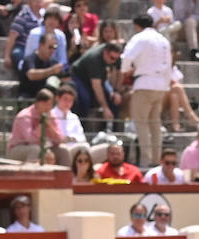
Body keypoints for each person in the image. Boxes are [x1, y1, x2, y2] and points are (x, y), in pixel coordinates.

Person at [122, 13, 171, 169]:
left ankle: (146, 160)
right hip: (161, 84)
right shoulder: (164, 40)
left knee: (141, 123)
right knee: (155, 123)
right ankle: (156, 159)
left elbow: (127, 57)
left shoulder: (140, 38)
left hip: (144, 83)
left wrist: (126, 70)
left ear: (137, 25)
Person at [7, 88, 64, 163]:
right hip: (17, 149)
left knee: (63, 151)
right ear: (37, 103)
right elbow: (31, 140)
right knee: (36, 149)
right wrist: (42, 123)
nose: (48, 108)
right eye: (46, 104)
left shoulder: (51, 115)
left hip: (43, 147)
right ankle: (31, 173)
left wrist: (50, 126)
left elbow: (59, 140)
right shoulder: (25, 116)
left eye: (50, 104)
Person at [71, 40, 122, 121]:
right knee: (85, 99)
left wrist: (116, 91)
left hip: (98, 78)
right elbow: (96, 86)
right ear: (105, 52)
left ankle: (112, 128)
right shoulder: (95, 59)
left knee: (114, 99)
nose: (114, 61)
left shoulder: (115, 56)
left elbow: (120, 72)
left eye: (116, 59)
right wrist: (105, 108)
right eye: (112, 58)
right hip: (79, 77)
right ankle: (83, 127)